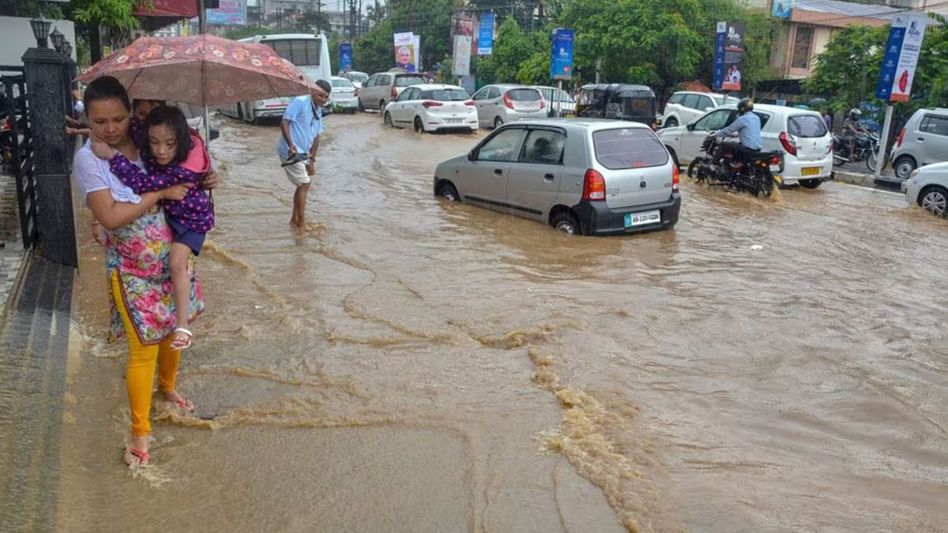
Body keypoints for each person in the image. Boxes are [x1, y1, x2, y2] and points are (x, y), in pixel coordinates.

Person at [72, 76, 215, 467]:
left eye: (118, 118)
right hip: (132, 269)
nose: (111, 128)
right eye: (100, 122)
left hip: (170, 256)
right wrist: (158, 194)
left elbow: (181, 167)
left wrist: (202, 179)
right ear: (88, 118)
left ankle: (167, 390)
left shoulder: (146, 138)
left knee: (173, 329)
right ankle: (139, 433)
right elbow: (111, 217)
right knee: (143, 348)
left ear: (129, 113)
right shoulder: (90, 159)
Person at [91, 104, 214, 351]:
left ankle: (183, 326)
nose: (160, 151)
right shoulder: (156, 143)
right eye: (154, 142)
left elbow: (142, 183)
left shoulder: (180, 170)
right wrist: (91, 128)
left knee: (177, 263)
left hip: (191, 223)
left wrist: (112, 155)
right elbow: (133, 129)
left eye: (169, 144)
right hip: (174, 218)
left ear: (181, 141)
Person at [276, 79, 332, 229]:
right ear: (312, 91)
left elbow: (317, 136)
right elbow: (285, 123)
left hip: (304, 153)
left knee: (302, 184)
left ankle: (294, 220)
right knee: (305, 184)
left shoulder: (318, 110)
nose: (323, 99)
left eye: (326, 97)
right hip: (290, 151)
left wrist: (312, 160)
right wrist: (291, 144)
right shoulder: (300, 102)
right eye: (320, 95)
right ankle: (301, 224)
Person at [714, 97, 762, 163]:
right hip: (757, 149)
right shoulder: (757, 118)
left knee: (723, 145)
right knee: (735, 144)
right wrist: (736, 135)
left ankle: (714, 165)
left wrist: (717, 133)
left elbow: (729, 130)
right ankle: (735, 163)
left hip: (747, 149)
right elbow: (749, 131)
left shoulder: (743, 119)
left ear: (742, 109)